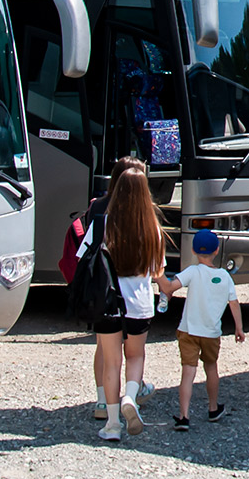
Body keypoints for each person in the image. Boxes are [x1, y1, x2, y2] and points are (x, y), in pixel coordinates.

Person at [80, 166, 166, 441]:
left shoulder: (101, 225)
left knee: (111, 363)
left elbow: (84, 257)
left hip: (108, 303)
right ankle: (131, 396)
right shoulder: (152, 228)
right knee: (136, 356)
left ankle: (113, 424)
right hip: (139, 304)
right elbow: (157, 270)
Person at [156, 229, 245, 431]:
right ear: (216, 250)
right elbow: (234, 303)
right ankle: (213, 408)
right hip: (211, 333)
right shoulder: (224, 276)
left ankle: (184, 416)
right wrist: (239, 327)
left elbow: (170, 287)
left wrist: (158, 277)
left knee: (188, 372)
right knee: (211, 368)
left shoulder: (192, 272)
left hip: (188, 331)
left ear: (194, 251)